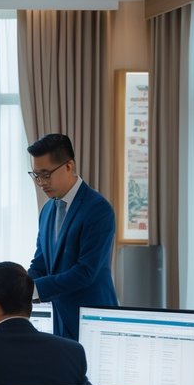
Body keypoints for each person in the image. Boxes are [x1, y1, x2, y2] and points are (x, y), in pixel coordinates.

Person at [26, 133, 118, 340]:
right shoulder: (47, 210)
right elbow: (40, 264)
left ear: (69, 166)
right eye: (36, 175)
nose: (40, 182)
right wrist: (20, 286)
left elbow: (85, 272)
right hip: (59, 320)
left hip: (93, 321)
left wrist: (34, 289)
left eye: (46, 174)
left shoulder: (98, 209)